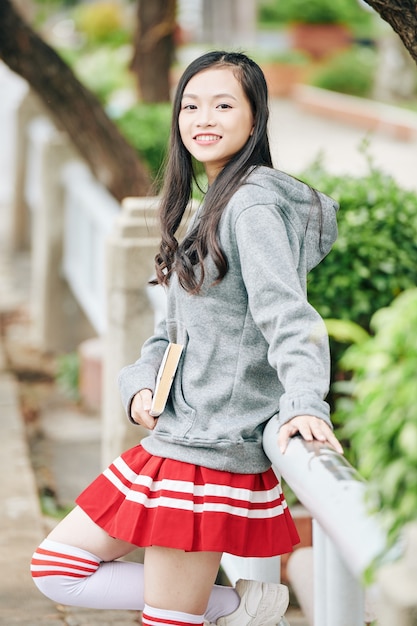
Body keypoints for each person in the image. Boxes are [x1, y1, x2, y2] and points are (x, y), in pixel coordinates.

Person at [31, 50, 343, 626]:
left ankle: (232, 606)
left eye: (224, 104)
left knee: (165, 619)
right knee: (56, 566)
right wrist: (140, 387)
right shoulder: (209, 207)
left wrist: (304, 402)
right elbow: (169, 333)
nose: (204, 117)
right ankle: (242, 605)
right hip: (177, 436)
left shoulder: (250, 208)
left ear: (256, 117)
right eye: (192, 105)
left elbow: (289, 316)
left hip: (212, 452)